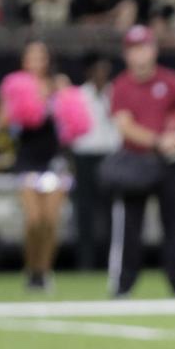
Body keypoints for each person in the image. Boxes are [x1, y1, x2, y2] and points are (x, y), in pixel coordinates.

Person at [107, 25, 175, 297]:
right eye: (133, 49)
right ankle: (121, 285)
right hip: (134, 163)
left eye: (143, 48)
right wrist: (156, 140)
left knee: (174, 226)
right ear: (126, 54)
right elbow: (124, 125)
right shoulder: (121, 85)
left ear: (153, 50)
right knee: (128, 228)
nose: (139, 54)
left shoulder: (171, 80)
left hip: (168, 163)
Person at [0, 40, 72, 291]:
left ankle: (44, 272)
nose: (37, 61)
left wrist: (60, 96)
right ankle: (31, 269)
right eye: (31, 56)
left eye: (41, 56)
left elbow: (72, 121)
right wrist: (20, 103)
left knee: (50, 222)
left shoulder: (58, 84)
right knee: (34, 220)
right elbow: (1, 123)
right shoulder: (14, 85)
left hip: (55, 161)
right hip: (28, 160)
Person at [70, 52, 120, 271]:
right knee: (85, 210)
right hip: (85, 156)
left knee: (111, 210)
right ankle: (86, 261)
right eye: (98, 69)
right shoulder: (78, 95)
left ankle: (111, 259)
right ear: (89, 72)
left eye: (105, 69)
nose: (102, 74)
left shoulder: (116, 93)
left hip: (110, 155)